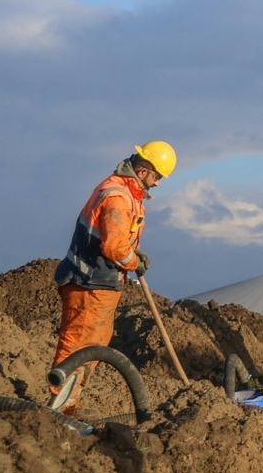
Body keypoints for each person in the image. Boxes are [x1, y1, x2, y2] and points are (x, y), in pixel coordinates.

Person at [49, 140, 176, 406]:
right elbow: (114, 247)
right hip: (88, 284)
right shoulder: (118, 196)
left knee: (93, 348)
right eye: (157, 176)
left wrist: (133, 252)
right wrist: (132, 262)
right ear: (143, 171)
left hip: (99, 285)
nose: (158, 183)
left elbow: (118, 238)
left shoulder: (127, 193)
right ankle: (59, 411)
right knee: (77, 349)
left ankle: (68, 405)